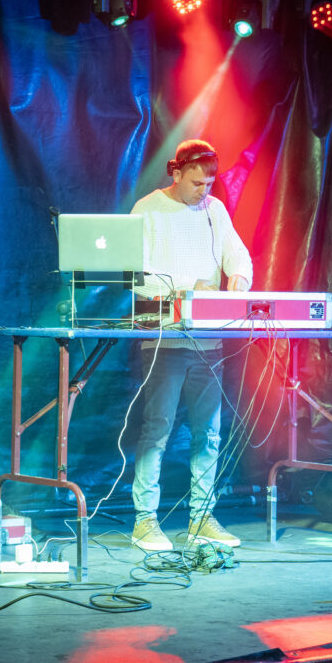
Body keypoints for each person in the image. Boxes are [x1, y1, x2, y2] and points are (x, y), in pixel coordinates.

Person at [130, 139, 253, 551]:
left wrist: (239, 279)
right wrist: (189, 286)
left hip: (208, 341)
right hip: (165, 340)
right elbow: (135, 276)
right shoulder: (148, 209)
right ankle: (145, 521)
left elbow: (238, 256)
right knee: (157, 430)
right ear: (177, 172)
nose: (204, 191)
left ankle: (201, 518)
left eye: (209, 184)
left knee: (209, 433)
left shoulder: (214, 211)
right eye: (196, 183)